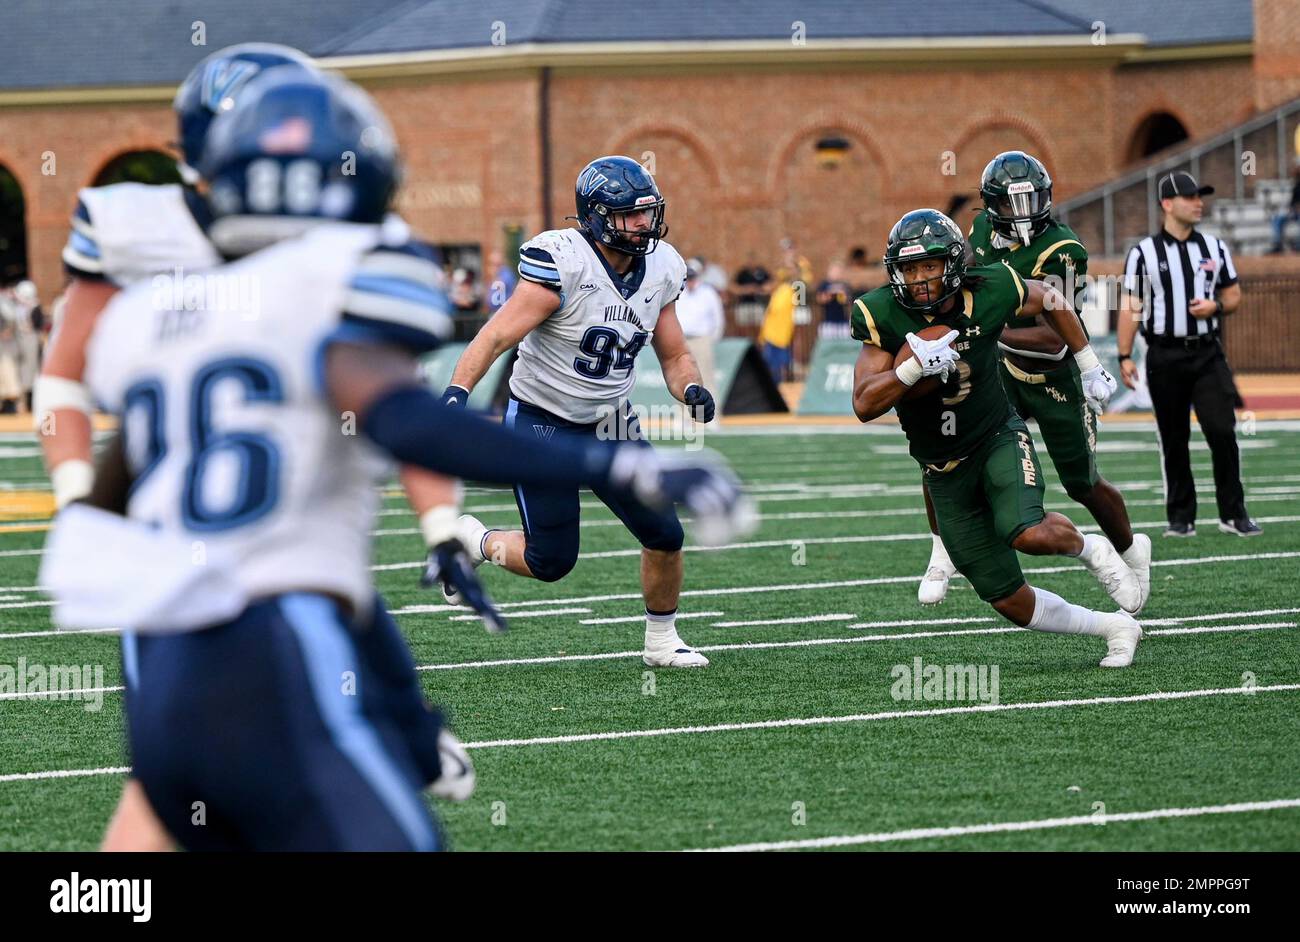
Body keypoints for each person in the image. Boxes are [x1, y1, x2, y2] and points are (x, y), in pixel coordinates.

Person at [49, 70, 750, 851]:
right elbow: (400, 424)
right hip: (277, 647)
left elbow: (121, 468)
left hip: (154, 663)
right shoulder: (344, 277)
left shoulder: (149, 316)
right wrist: (619, 468)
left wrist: (80, 505)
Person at [36, 42, 494, 850]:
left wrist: (440, 522)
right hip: (180, 522)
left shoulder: (336, 226)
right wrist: (78, 494)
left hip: (282, 506)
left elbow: (391, 396)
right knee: (194, 768)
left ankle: (401, 738)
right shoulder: (132, 222)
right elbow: (64, 375)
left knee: (223, 733)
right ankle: (399, 748)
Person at [440, 155, 738, 668]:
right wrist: (456, 393)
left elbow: (673, 354)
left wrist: (691, 389)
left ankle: (661, 640)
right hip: (543, 421)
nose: (645, 224)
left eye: (648, 212)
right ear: (598, 217)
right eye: (631, 215)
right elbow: (494, 336)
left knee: (665, 533)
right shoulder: (562, 263)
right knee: (550, 561)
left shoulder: (662, 266)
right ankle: (473, 539)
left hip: (610, 419)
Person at [851, 209, 1143, 668]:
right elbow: (865, 404)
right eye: (909, 269)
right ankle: (1113, 626)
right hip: (942, 470)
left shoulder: (991, 287)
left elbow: (1050, 297)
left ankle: (1095, 550)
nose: (920, 278)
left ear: (952, 263)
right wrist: (910, 369)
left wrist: (1087, 362)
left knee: (1025, 531)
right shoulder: (882, 311)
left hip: (995, 437)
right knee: (1008, 600)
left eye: (929, 265)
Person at [916, 151, 1150, 610]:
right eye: (1011, 204)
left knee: (1082, 483)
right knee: (941, 449)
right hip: (1000, 372)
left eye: (1032, 202)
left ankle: (1131, 552)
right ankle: (942, 550)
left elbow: (1049, 335)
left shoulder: (1063, 248)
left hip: (1054, 376)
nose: (1023, 216)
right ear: (990, 204)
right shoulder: (979, 230)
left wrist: (983, 325)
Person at [1118, 171, 1256, 537]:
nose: (1199, 203)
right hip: (1165, 356)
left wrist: (1215, 307)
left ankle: (1233, 513)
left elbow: (1233, 295)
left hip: (1207, 353)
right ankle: (1181, 518)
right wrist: (1124, 355)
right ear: (1167, 203)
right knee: (1173, 437)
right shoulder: (1144, 253)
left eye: (1200, 196)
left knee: (1222, 429)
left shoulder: (1214, 247)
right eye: (1191, 196)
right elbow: (1131, 305)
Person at [1268, 164, 1300, 254]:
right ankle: (1278, 245)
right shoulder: (1296, 187)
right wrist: (1293, 209)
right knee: (1278, 219)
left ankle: (1298, 245)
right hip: (1295, 213)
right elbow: (1292, 203)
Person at [816, 260, 852, 339]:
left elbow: (848, 301)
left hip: (842, 322)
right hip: (828, 322)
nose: (837, 273)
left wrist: (842, 294)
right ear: (830, 271)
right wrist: (831, 293)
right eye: (835, 271)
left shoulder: (844, 285)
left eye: (839, 271)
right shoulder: (824, 284)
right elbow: (820, 300)